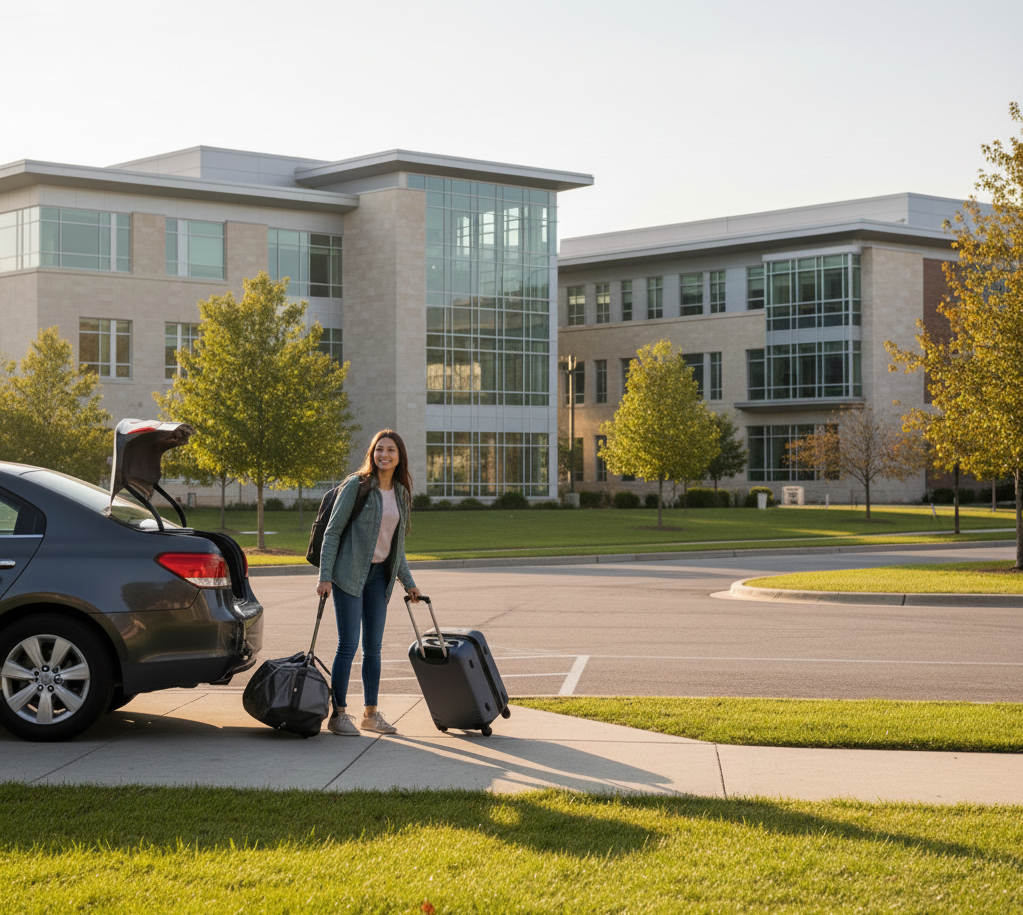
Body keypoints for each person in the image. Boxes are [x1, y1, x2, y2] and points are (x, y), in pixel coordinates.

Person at [316, 430, 421, 736]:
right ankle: (338, 714)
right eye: (379, 449)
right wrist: (325, 576)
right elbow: (333, 531)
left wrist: (409, 583)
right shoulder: (357, 485)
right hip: (348, 573)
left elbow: (396, 546)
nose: (384, 455)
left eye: (390, 450)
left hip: (379, 578)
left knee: (373, 648)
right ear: (372, 454)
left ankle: (371, 714)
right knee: (348, 645)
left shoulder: (401, 493)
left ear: (399, 456)